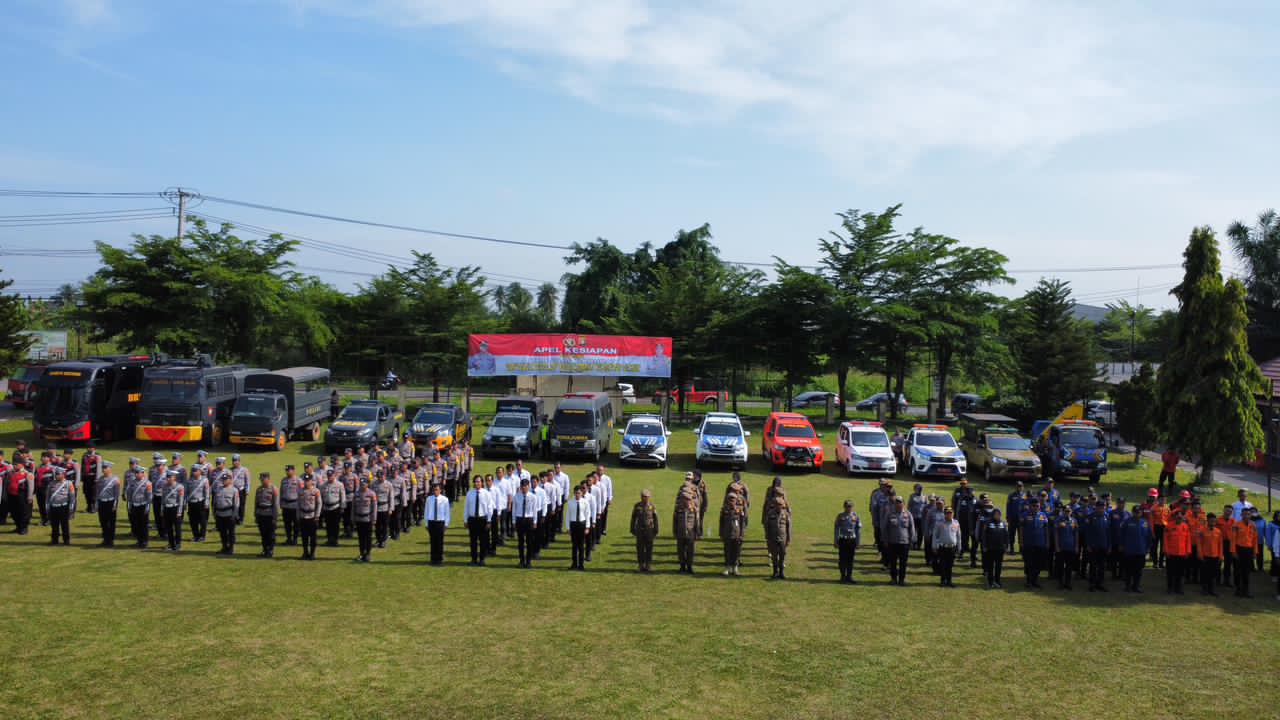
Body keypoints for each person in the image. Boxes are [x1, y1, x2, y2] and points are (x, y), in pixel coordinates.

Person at [883, 496, 917, 586]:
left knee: (903, 563)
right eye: (896, 503)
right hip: (892, 542)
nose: (898, 504)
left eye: (900, 502)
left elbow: (912, 528)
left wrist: (912, 540)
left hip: (904, 543)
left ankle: (902, 580)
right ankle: (893, 579)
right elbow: (885, 527)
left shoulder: (908, 514)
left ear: (903, 504)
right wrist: (885, 540)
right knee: (893, 562)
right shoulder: (889, 513)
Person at [673, 477, 700, 574]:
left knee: (690, 551)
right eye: (684, 499)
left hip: (691, 533)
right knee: (680, 551)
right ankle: (682, 566)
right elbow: (675, 520)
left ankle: (689, 566)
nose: (686, 501)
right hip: (680, 532)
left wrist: (697, 532)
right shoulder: (678, 508)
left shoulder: (694, 509)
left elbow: (697, 522)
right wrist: (675, 531)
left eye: (687, 499)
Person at [1120, 507, 1150, 593]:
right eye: (1136, 512)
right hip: (1129, 550)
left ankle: (1136, 586)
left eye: (1139, 512)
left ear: (1141, 513)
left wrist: (1147, 548)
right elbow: (1121, 534)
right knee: (1128, 569)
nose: (1137, 514)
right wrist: (1121, 545)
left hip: (1141, 550)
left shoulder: (1145, 522)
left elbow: (1149, 536)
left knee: (1138, 570)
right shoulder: (1127, 522)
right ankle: (1127, 586)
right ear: (1133, 512)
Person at [1021, 500, 1051, 589]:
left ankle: (1035, 580)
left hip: (1040, 543)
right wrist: (1021, 541)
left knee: (1038, 563)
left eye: (1038, 506)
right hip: (1028, 543)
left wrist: (1047, 541)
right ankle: (1028, 581)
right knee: (1029, 563)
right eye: (1034, 506)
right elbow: (1021, 529)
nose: (1036, 507)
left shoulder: (1043, 515)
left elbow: (1046, 529)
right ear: (1030, 506)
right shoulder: (1024, 515)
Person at [764, 489, 792, 580]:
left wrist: (788, 539)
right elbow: (766, 526)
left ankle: (781, 573)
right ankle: (775, 572)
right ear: (774, 505)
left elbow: (789, 527)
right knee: (774, 557)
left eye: (781, 505)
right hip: (773, 538)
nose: (779, 507)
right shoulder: (770, 513)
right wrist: (767, 537)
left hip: (783, 538)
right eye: (777, 505)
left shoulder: (786, 514)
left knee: (782, 556)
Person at [464, 476, 491, 566]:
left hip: (482, 519)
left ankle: (482, 559)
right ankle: (473, 559)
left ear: (482, 483)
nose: (477, 483)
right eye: (475, 482)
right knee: (473, 541)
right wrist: (465, 520)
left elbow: (489, 508)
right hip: (472, 519)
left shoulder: (486, 493)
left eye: (479, 482)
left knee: (483, 541)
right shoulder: (469, 493)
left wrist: (489, 521)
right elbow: (466, 508)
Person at [628, 489, 657, 572]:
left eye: (647, 497)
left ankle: (648, 565)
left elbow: (655, 519)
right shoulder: (637, 506)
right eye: (643, 497)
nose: (645, 498)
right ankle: (641, 565)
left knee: (649, 548)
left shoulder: (652, 506)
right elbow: (633, 518)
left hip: (649, 530)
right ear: (641, 497)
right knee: (640, 548)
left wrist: (656, 529)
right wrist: (632, 528)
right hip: (640, 530)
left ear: (649, 497)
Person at [1084, 500, 1110, 592]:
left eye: (1103, 507)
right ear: (1096, 507)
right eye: (1100, 507)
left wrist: (1109, 545)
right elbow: (1087, 533)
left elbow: (1109, 533)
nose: (1102, 509)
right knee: (1093, 566)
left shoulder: (1107, 517)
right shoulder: (1090, 517)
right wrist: (1088, 545)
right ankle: (1092, 584)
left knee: (1102, 566)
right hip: (1093, 546)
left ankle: (1100, 584)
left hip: (1103, 545)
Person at [124, 458, 151, 547]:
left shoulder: (147, 483)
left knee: (144, 525)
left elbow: (149, 497)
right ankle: (139, 541)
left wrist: (147, 507)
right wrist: (129, 505)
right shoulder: (132, 482)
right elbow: (130, 495)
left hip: (143, 505)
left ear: (142, 473)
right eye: (135, 473)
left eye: (137, 473)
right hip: (134, 505)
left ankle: (145, 541)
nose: (136, 474)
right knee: (137, 524)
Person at [1229, 512, 1257, 598]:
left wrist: (1255, 552)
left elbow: (1255, 539)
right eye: (1245, 514)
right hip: (1239, 549)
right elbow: (1233, 539)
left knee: (1246, 571)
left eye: (1248, 514)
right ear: (1241, 515)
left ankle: (1246, 590)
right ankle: (1238, 589)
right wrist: (1233, 551)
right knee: (1237, 570)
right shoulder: (1236, 525)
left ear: (1250, 515)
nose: (1247, 516)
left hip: (1249, 550)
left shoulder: (1253, 525)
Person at [45, 467, 76, 546]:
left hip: (63, 507)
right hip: (53, 507)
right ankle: (54, 540)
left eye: (58, 474)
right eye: (56, 474)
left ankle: (66, 540)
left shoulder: (68, 483)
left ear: (63, 474)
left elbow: (72, 497)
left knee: (64, 525)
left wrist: (71, 508)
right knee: (54, 525)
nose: (56, 476)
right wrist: (47, 507)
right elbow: (48, 497)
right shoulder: (51, 484)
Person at [931, 507, 960, 587]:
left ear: (953, 514)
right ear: (945, 514)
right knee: (943, 565)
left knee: (950, 565)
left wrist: (959, 547)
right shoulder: (939, 523)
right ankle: (943, 581)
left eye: (951, 513)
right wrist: (934, 546)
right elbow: (935, 535)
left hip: (952, 547)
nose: (949, 514)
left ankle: (949, 581)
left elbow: (958, 536)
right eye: (947, 513)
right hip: (943, 547)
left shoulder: (956, 523)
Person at [834, 500, 862, 584]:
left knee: (850, 559)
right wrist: (835, 541)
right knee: (842, 559)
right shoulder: (840, 516)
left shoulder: (855, 516)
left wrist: (858, 542)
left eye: (850, 506)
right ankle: (842, 577)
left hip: (852, 540)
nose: (848, 508)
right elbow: (836, 529)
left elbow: (858, 529)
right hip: (843, 540)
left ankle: (849, 577)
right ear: (844, 507)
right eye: (847, 506)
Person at [720, 491, 747, 576]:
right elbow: (721, 523)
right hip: (727, 534)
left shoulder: (740, 510)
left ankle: (735, 568)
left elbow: (743, 523)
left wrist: (741, 534)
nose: (731, 501)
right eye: (730, 499)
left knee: (736, 552)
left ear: (736, 500)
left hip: (737, 534)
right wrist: (721, 534)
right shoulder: (724, 510)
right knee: (727, 551)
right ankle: (728, 568)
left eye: (733, 499)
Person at [212, 473, 240, 555]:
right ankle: (224, 547)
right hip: (220, 514)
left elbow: (236, 504)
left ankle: (230, 548)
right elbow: (214, 502)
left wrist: (234, 515)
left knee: (231, 533)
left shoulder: (234, 490)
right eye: (223, 480)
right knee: (222, 533)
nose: (224, 481)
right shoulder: (218, 489)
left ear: (230, 480)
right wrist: (215, 513)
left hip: (229, 514)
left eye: (225, 479)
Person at [512, 478, 538, 568]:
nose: (524, 488)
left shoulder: (533, 497)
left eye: (526, 486)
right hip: (519, 519)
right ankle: (521, 561)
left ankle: (528, 561)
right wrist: (514, 521)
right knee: (520, 542)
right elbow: (514, 510)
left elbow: (534, 510)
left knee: (529, 542)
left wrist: (535, 521)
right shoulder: (516, 496)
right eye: (522, 486)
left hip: (529, 519)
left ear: (528, 486)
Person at [1164, 512, 1192, 595]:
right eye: (1178, 517)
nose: (1179, 519)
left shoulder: (1185, 526)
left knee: (1180, 573)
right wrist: (1166, 551)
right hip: (1171, 554)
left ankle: (1179, 588)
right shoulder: (1168, 526)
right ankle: (1170, 588)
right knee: (1171, 572)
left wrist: (1188, 551)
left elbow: (1188, 540)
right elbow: (1165, 540)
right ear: (1174, 517)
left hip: (1182, 554)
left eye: (1181, 517)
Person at [253, 472, 280, 558]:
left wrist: (275, 517)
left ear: (268, 479)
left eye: (263, 479)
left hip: (270, 514)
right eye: (261, 479)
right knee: (263, 534)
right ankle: (265, 550)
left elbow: (276, 504)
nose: (262, 481)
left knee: (270, 534)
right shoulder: (259, 489)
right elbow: (256, 503)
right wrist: (256, 515)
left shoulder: (273, 489)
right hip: (261, 514)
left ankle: (270, 550)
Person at [1197, 513, 1224, 596]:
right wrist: (1200, 555)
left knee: (1213, 574)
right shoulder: (1201, 531)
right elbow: (1199, 544)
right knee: (1205, 573)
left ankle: (1211, 590)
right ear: (1207, 521)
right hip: (1205, 555)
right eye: (1211, 520)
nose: (1213, 522)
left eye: (1214, 521)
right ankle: (1204, 589)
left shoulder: (1218, 531)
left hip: (1215, 556)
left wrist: (1220, 556)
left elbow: (1220, 545)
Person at [6, 457, 34, 535]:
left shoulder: (27, 474)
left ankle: (24, 528)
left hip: (22, 495)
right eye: (13, 464)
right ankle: (18, 526)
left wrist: (30, 497)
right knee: (14, 512)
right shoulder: (11, 472)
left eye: (16, 464)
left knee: (24, 512)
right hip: (12, 495)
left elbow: (31, 486)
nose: (14, 466)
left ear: (22, 465)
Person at [423, 482, 450, 565]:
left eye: (437, 490)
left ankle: (439, 559)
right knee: (433, 541)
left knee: (439, 541)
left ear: (440, 490)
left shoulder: (445, 499)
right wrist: (426, 524)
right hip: (431, 522)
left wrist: (446, 524)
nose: (435, 491)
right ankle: (433, 558)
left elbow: (447, 513)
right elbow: (426, 512)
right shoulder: (429, 499)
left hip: (440, 522)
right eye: (434, 490)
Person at [982, 508, 1009, 589]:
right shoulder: (988, 523)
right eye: (996, 514)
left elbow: (1006, 536)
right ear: (993, 515)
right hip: (990, 548)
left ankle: (997, 580)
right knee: (990, 566)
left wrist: (1006, 546)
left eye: (999, 514)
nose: (997, 515)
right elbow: (984, 536)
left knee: (998, 566)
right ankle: (990, 581)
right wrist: (984, 546)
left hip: (1000, 549)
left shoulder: (1003, 523)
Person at [95, 460, 119, 547]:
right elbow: (97, 492)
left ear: (110, 468)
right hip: (102, 502)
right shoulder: (100, 479)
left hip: (110, 502)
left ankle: (111, 540)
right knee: (103, 522)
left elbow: (116, 494)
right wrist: (96, 503)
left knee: (111, 522)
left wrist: (115, 504)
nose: (103, 469)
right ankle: (105, 539)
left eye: (105, 468)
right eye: (103, 468)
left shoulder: (115, 479)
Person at [160, 470, 186, 551]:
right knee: (169, 528)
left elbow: (181, 500)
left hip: (175, 508)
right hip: (167, 509)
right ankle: (171, 544)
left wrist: (179, 512)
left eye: (169, 477)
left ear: (174, 477)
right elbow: (163, 499)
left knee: (177, 528)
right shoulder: (164, 486)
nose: (168, 479)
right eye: (167, 477)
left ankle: (178, 544)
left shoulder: (180, 487)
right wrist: (162, 509)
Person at [297, 477, 322, 560]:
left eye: (308, 481)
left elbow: (319, 504)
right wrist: (298, 515)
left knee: (313, 537)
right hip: (303, 516)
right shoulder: (300, 491)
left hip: (312, 517)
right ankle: (305, 552)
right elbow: (298, 505)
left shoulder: (316, 491)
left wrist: (317, 516)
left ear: (312, 481)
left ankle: (312, 553)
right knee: (304, 537)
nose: (307, 482)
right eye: (305, 481)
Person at [320, 470, 345, 547]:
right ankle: (329, 539)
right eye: (328, 476)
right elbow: (321, 497)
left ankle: (335, 540)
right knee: (328, 525)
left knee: (335, 525)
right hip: (326, 507)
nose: (330, 477)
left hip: (336, 507)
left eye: (331, 476)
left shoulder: (339, 484)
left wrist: (342, 507)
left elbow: (342, 496)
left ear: (334, 476)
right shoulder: (323, 485)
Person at [185, 467, 210, 543]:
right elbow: (186, 493)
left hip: (200, 502)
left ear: (200, 471)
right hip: (191, 503)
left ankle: (202, 536)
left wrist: (206, 503)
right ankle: (195, 535)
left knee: (202, 520)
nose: (194, 473)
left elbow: (206, 492)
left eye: (196, 471)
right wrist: (185, 503)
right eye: (193, 471)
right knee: (192, 521)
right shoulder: (189, 481)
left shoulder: (204, 480)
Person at [279, 465, 302, 546]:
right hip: (285, 505)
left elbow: (301, 493)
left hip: (295, 505)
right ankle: (288, 539)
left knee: (296, 524)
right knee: (287, 524)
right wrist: (280, 503)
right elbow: (281, 492)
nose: (287, 472)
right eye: (286, 471)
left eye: (289, 470)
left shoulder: (298, 480)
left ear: (293, 470)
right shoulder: (283, 480)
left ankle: (295, 539)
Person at [80, 443, 101, 513]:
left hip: (93, 477)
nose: (89, 449)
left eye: (91, 448)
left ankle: (94, 507)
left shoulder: (97, 456)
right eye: (88, 447)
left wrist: (97, 478)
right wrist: (81, 477)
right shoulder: (84, 455)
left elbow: (99, 468)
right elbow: (82, 466)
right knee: (86, 492)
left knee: (93, 493)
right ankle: (88, 506)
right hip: (86, 477)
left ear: (94, 448)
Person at [230, 455, 250, 526]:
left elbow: (247, 481)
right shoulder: (230, 470)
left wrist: (247, 490)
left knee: (241, 505)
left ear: (239, 461)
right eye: (233, 461)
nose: (234, 462)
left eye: (235, 461)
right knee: (234, 505)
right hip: (233, 491)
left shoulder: (244, 470)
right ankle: (235, 518)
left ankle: (241, 519)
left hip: (241, 490)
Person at [907, 483, 927, 551]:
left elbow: (926, 506)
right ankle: (913, 544)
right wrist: (909, 515)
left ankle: (919, 545)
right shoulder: (912, 496)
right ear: (915, 489)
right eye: (918, 489)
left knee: (920, 532)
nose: (920, 490)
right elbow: (909, 506)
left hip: (922, 517)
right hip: (913, 516)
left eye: (920, 489)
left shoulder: (924, 496)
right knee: (913, 531)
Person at [1005, 482, 1025, 553]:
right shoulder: (1011, 495)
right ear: (1015, 487)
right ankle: (1012, 549)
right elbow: (1008, 506)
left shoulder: (1024, 496)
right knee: (1011, 534)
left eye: (1021, 486)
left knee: (1021, 534)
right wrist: (1007, 516)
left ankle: (1021, 549)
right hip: (1012, 518)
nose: (1019, 487)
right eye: (1018, 486)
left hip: (1021, 519)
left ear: (1023, 487)